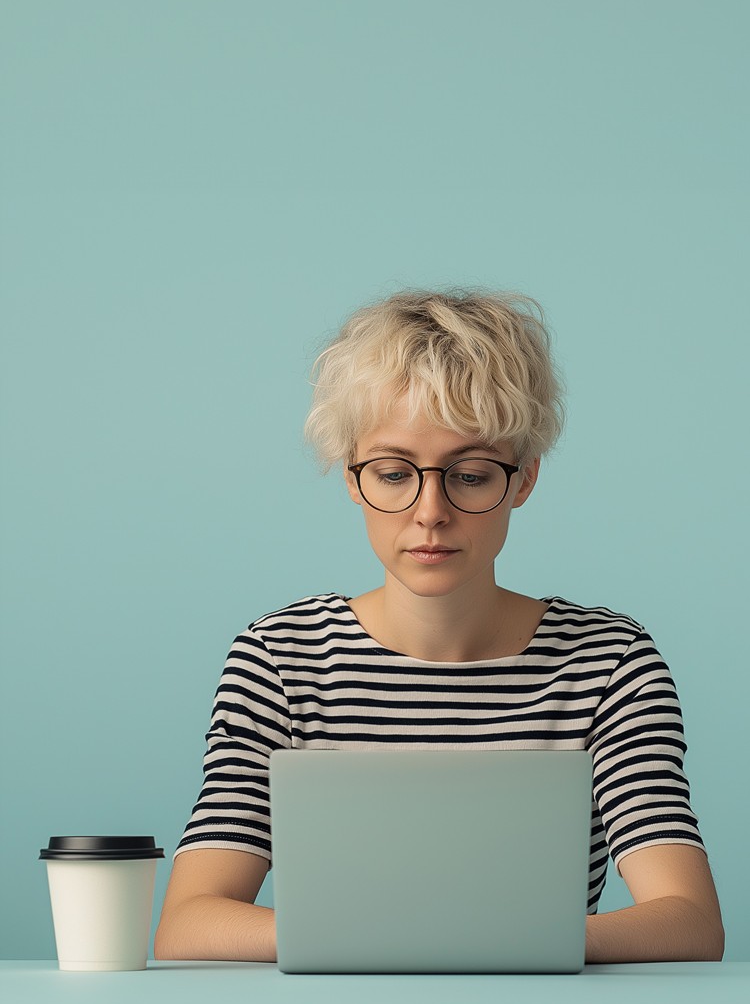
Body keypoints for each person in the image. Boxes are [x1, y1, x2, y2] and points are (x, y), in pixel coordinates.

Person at [154, 287, 724, 965]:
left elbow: (689, 921)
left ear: (524, 479)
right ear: (350, 476)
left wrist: (482, 942)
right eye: (394, 473)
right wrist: (423, 940)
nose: (430, 511)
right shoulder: (281, 657)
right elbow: (188, 923)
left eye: (472, 474)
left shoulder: (609, 662)